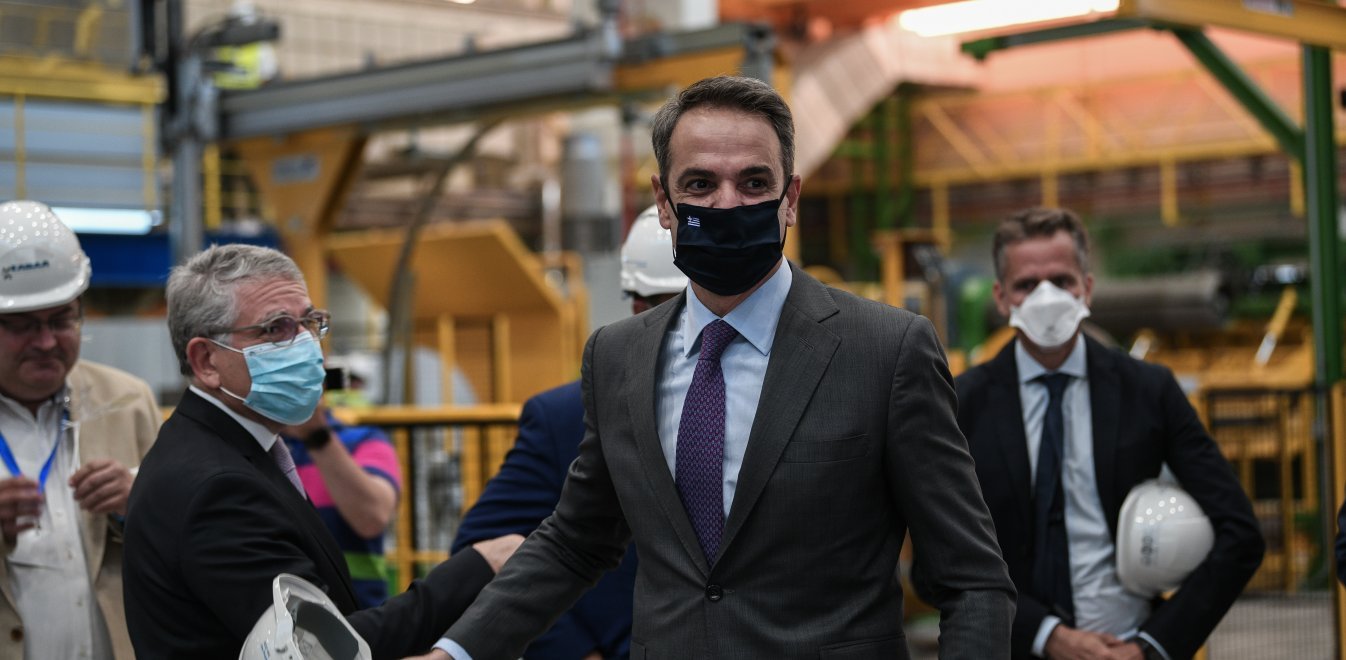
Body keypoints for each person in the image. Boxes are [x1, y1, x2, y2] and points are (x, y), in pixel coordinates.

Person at [432, 75, 1015, 660]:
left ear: (790, 197)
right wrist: (453, 652)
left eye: (755, 182)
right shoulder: (616, 357)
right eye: (700, 184)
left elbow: (971, 579)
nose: (728, 203)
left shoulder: (886, 351)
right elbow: (575, 542)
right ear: (664, 203)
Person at [122, 243, 522, 659]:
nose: (307, 346)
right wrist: (476, 568)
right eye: (275, 328)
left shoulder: (230, 448)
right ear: (206, 360)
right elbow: (322, 648)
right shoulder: (218, 488)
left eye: (310, 323)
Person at [954, 207, 1264, 659]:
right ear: (1001, 299)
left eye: (1061, 281)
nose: (1045, 297)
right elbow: (940, 559)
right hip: (1013, 647)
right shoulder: (962, 404)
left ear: (1087, 288)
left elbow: (1240, 534)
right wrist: (1048, 636)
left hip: (1126, 647)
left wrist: (1152, 645)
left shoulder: (1149, 391)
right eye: (1026, 285)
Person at [449, 205, 685, 659]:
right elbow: (483, 552)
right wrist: (575, 651)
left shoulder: (780, 400)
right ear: (638, 308)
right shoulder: (565, 418)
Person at [0, 200, 161, 660]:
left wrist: (139, 502)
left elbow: (187, 541)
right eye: (22, 326)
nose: (46, 342)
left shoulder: (129, 402)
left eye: (61, 320)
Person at [281, 404, 400, 609]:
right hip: (276, 612)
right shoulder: (252, 446)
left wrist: (316, 436)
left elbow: (373, 518)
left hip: (356, 614)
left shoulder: (365, 440)